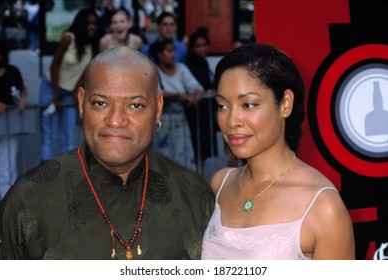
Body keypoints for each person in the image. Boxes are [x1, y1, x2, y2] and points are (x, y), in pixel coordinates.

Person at [0, 46, 214, 260]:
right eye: (101, 103)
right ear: (82, 103)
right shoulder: (28, 199)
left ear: (158, 108)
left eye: (135, 105)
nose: (115, 120)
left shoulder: (194, 195)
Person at [201, 43, 355, 260]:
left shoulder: (323, 207)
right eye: (222, 106)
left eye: (248, 105)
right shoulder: (220, 184)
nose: (232, 121)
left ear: (285, 104)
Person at [39, 8, 101, 160]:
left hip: (69, 93)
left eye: (94, 23)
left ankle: (64, 174)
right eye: (88, 23)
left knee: (68, 136)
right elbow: (54, 65)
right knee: (49, 136)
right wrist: (55, 95)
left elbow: (85, 72)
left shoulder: (93, 44)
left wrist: (77, 91)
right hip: (50, 88)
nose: (91, 26)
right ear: (81, 24)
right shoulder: (69, 38)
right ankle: (45, 177)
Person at [149, 38, 203, 171]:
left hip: (181, 123)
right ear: (159, 54)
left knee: (183, 159)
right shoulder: (152, 70)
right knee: (162, 161)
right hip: (160, 123)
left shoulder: (181, 68)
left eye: (174, 51)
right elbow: (153, 93)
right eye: (169, 51)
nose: (173, 54)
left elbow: (195, 87)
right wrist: (178, 95)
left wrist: (196, 96)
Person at [184, 28, 218, 173]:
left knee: (204, 148)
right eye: (198, 46)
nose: (202, 49)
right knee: (196, 145)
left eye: (204, 45)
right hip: (195, 112)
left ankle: (200, 172)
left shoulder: (204, 63)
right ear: (192, 47)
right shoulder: (188, 65)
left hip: (206, 112)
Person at [0, 39, 27, 205]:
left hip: (10, 125)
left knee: (7, 166)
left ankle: (7, 204)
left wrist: (23, 98)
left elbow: (22, 88)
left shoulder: (12, 71)